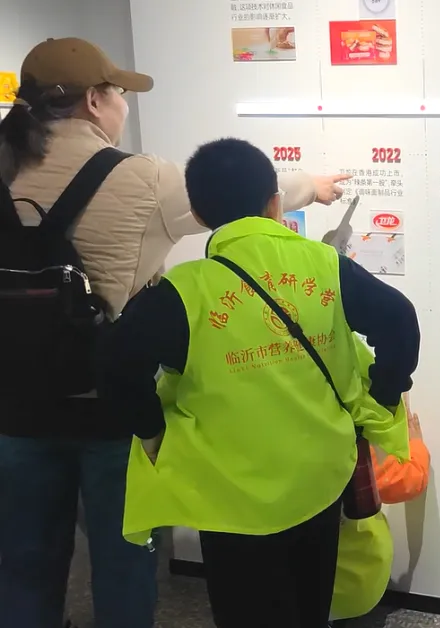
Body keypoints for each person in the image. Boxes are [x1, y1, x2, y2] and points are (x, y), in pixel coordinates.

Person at [0, 37, 349, 628]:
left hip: (14, 403)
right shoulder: (139, 178)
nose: (123, 105)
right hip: (107, 407)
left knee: (23, 564)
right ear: (94, 100)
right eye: (119, 93)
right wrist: (307, 186)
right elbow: (232, 199)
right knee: (124, 559)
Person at [97, 138, 419, 628]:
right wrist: (382, 395)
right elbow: (399, 319)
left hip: (229, 494)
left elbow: (116, 364)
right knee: (311, 604)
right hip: (319, 477)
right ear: (274, 202)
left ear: (199, 214)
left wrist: (151, 430)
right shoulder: (324, 265)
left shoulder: (185, 290)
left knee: (245, 610)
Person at [331, 389, 431, 624]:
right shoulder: (353, 447)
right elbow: (407, 480)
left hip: (295, 581)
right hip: (354, 581)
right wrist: (416, 446)